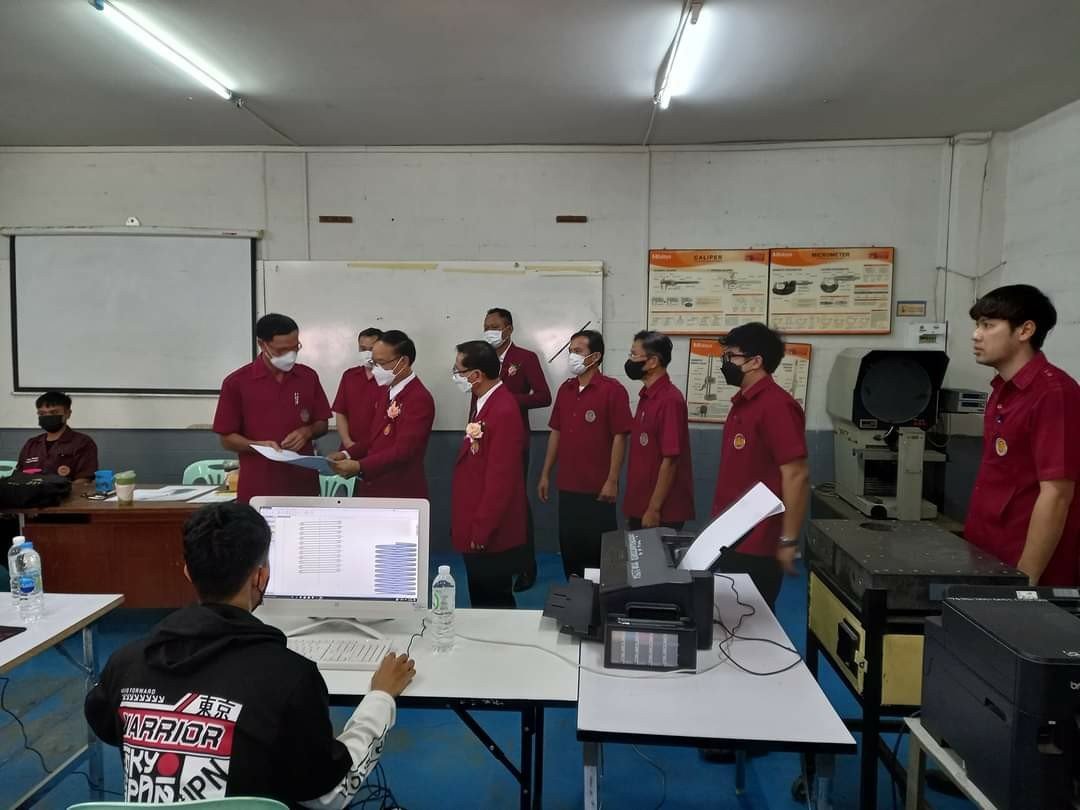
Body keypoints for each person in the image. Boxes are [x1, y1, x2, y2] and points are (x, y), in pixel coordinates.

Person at [84, 502, 416, 806]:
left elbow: (108, 726)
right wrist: (380, 699)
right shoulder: (290, 676)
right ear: (261, 575)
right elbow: (328, 795)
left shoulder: (126, 662)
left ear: (187, 572)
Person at [965, 284, 1080, 586]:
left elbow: (1057, 495)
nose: (976, 335)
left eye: (988, 325)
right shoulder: (1002, 391)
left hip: (1026, 567)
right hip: (988, 552)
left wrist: (1025, 582)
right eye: (977, 325)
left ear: (1025, 330)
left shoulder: (1054, 394)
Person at [709, 323, 809, 609]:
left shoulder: (777, 406)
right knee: (730, 617)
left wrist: (788, 540)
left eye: (731, 356)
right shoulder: (742, 403)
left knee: (751, 621)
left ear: (755, 362)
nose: (726, 363)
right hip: (730, 533)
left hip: (757, 539)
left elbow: (796, 475)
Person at [538, 330, 633, 579]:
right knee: (570, 547)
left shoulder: (612, 390)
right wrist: (546, 473)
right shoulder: (566, 389)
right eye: (570, 351)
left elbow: (620, 437)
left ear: (595, 356)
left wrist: (612, 480)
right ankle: (574, 594)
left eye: (578, 351)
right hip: (568, 486)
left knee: (597, 553)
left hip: (598, 489)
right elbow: (556, 432)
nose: (572, 356)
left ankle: (599, 600)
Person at [213, 313, 331, 504]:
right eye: (282, 350)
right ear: (262, 344)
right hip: (259, 487)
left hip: (302, 485)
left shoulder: (308, 377)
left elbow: (322, 423)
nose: (290, 355)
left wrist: (307, 432)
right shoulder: (237, 383)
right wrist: (257, 445)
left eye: (295, 348)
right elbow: (226, 439)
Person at [451, 339, 528, 608]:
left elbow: (501, 480)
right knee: (481, 597)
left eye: (459, 371)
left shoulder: (503, 409)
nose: (455, 375)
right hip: (475, 518)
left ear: (476, 375)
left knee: (494, 603)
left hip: (491, 531)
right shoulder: (483, 402)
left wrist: (482, 529)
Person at [481, 307, 552, 592]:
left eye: (494, 326)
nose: (489, 331)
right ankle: (501, 559)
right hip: (482, 440)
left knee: (516, 501)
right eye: (486, 326)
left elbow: (544, 396)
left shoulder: (524, 358)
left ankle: (526, 565)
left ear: (508, 329)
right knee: (490, 499)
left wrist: (508, 401)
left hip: (514, 441)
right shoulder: (481, 359)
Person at [328, 330, 435, 498]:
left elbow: (404, 450)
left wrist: (360, 466)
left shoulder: (418, 398)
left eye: (381, 363)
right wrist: (347, 454)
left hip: (399, 490)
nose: (375, 369)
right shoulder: (388, 391)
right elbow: (374, 438)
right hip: (375, 486)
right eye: (374, 362)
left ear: (403, 361)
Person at [622, 330, 695, 530]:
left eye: (634, 354)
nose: (630, 360)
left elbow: (670, 460)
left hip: (661, 511)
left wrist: (654, 508)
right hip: (640, 504)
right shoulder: (646, 397)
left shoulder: (670, 400)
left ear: (653, 361)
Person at [16, 391, 98, 483]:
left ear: (67, 414)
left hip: (68, 492)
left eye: (54, 412)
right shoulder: (31, 444)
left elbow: (84, 479)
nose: (47, 416)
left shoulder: (83, 443)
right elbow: (19, 476)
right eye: (42, 413)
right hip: (30, 492)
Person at [333, 327, 383, 457]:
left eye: (371, 349)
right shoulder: (349, 376)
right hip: (349, 450)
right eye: (363, 349)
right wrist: (348, 443)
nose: (367, 353)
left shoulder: (388, 379)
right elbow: (340, 413)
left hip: (378, 452)